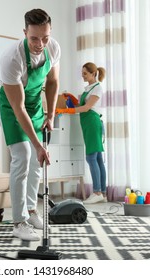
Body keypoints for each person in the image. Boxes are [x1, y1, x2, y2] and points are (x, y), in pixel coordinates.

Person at [0, 9, 61, 241]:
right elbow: (18, 107)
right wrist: (37, 145)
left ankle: (32, 211)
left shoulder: (52, 47)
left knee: (36, 163)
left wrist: (51, 114)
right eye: (34, 38)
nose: (40, 43)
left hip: (34, 106)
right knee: (23, 155)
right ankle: (19, 222)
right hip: (12, 108)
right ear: (25, 33)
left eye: (45, 37)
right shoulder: (11, 58)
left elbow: (53, 82)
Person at [56, 62, 107, 204]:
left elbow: (86, 108)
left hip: (92, 122)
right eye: (82, 72)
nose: (82, 75)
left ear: (93, 74)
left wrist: (65, 110)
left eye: (85, 73)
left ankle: (97, 192)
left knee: (92, 158)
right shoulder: (89, 89)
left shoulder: (97, 88)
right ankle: (102, 193)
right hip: (88, 123)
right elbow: (81, 105)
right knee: (97, 159)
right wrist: (72, 99)